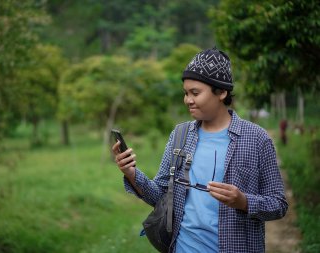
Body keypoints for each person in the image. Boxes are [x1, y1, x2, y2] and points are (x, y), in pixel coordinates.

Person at [112, 47, 288, 253]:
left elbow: (278, 204)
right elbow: (160, 197)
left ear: (222, 92)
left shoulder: (257, 138)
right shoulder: (180, 135)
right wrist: (131, 174)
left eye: (195, 93)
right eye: (186, 93)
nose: (188, 100)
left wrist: (244, 201)